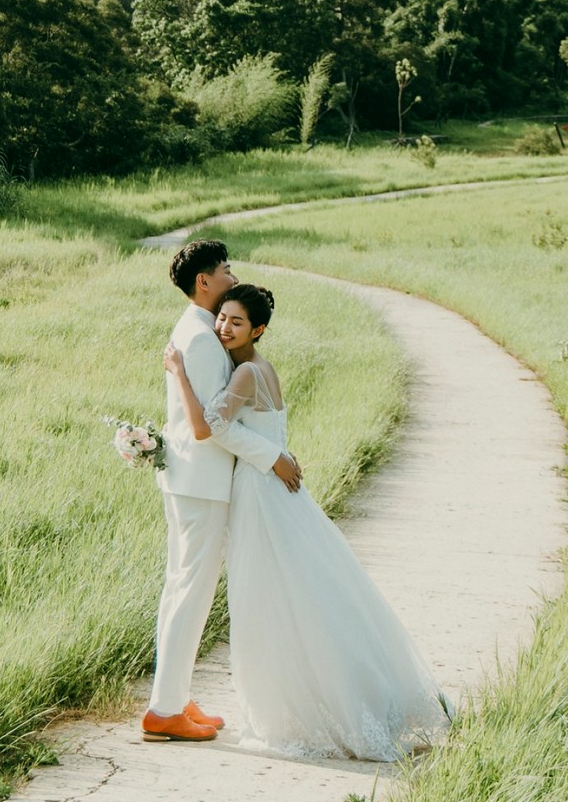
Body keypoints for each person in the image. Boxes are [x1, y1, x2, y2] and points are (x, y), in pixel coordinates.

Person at [164, 283, 450, 760]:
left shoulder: (245, 374)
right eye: (222, 319)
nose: (223, 327)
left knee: (271, 600)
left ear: (258, 330)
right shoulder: (259, 369)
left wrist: (178, 373)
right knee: (306, 594)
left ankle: (311, 706)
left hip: (259, 493)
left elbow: (205, 428)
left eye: (236, 322)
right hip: (274, 491)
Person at [142, 241, 304, 743]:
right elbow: (212, 425)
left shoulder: (192, 328)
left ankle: (174, 695)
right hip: (203, 481)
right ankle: (165, 709)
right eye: (225, 270)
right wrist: (272, 456)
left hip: (190, 479)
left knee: (182, 587)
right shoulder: (206, 340)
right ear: (205, 282)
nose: (233, 277)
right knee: (190, 590)